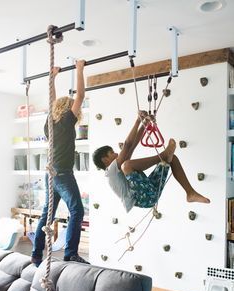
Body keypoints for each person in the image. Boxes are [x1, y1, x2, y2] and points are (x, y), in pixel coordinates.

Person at [31, 60, 89, 266]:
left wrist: (52, 77)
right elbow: (81, 96)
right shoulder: (66, 119)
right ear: (68, 108)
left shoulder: (50, 122)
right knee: (77, 211)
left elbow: (51, 99)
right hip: (63, 173)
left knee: (48, 214)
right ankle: (70, 253)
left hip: (51, 173)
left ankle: (36, 253)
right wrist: (80, 69)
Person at [93, 110, 210, 213]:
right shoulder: (111, 172)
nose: (117, 154)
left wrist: (145, 124)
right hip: (142, 198)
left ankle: (190, 193)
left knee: (171, 159)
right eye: (112, 153)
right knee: (127, 165)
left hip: (149, 190)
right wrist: (137, 121)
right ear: (105, 159)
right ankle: (163, 154)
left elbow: (132, 145)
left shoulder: (118, 168)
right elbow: (127, 144)